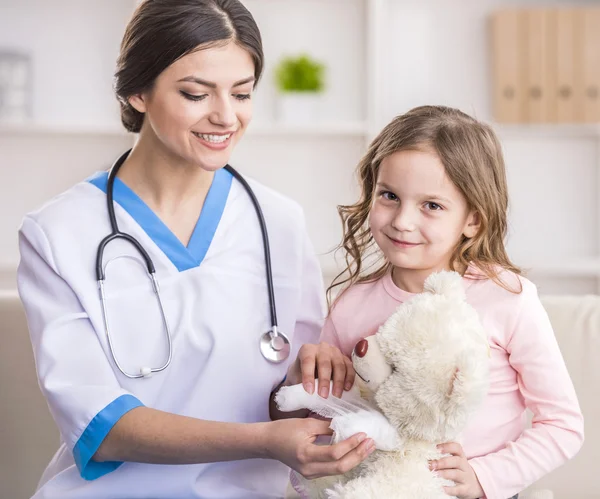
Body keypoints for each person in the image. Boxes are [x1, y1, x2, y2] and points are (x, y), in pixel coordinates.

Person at [16, 1, 374, 497]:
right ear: (138, 91)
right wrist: (264, 441)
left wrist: (318, 383)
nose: (226, 117)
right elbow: (100, 427)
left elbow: (289, 400)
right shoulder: (57, 233)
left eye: (242, 93)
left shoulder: (279, 224)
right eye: (195, 93)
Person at [319, 105, 584, 499]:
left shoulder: (507, 298)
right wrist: (301, 381)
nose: (402, 221)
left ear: (473, 220)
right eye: (389, 196)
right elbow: (322, 415)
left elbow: (563, 425)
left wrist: (485, 477)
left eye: (432, 205)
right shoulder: (351, 306)